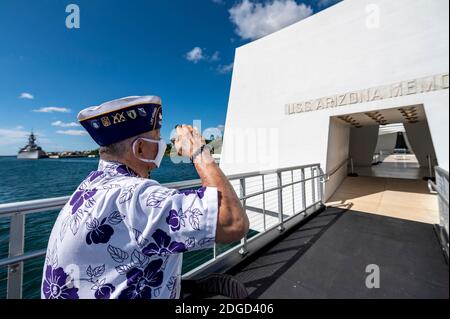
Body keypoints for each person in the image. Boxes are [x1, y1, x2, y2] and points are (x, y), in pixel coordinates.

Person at [41, 95, 249, 299]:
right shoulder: (134, 196)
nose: (162, 144)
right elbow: (232, 222)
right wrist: (199, 150)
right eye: (157, 138)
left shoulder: (87, 188)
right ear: (140, 148)